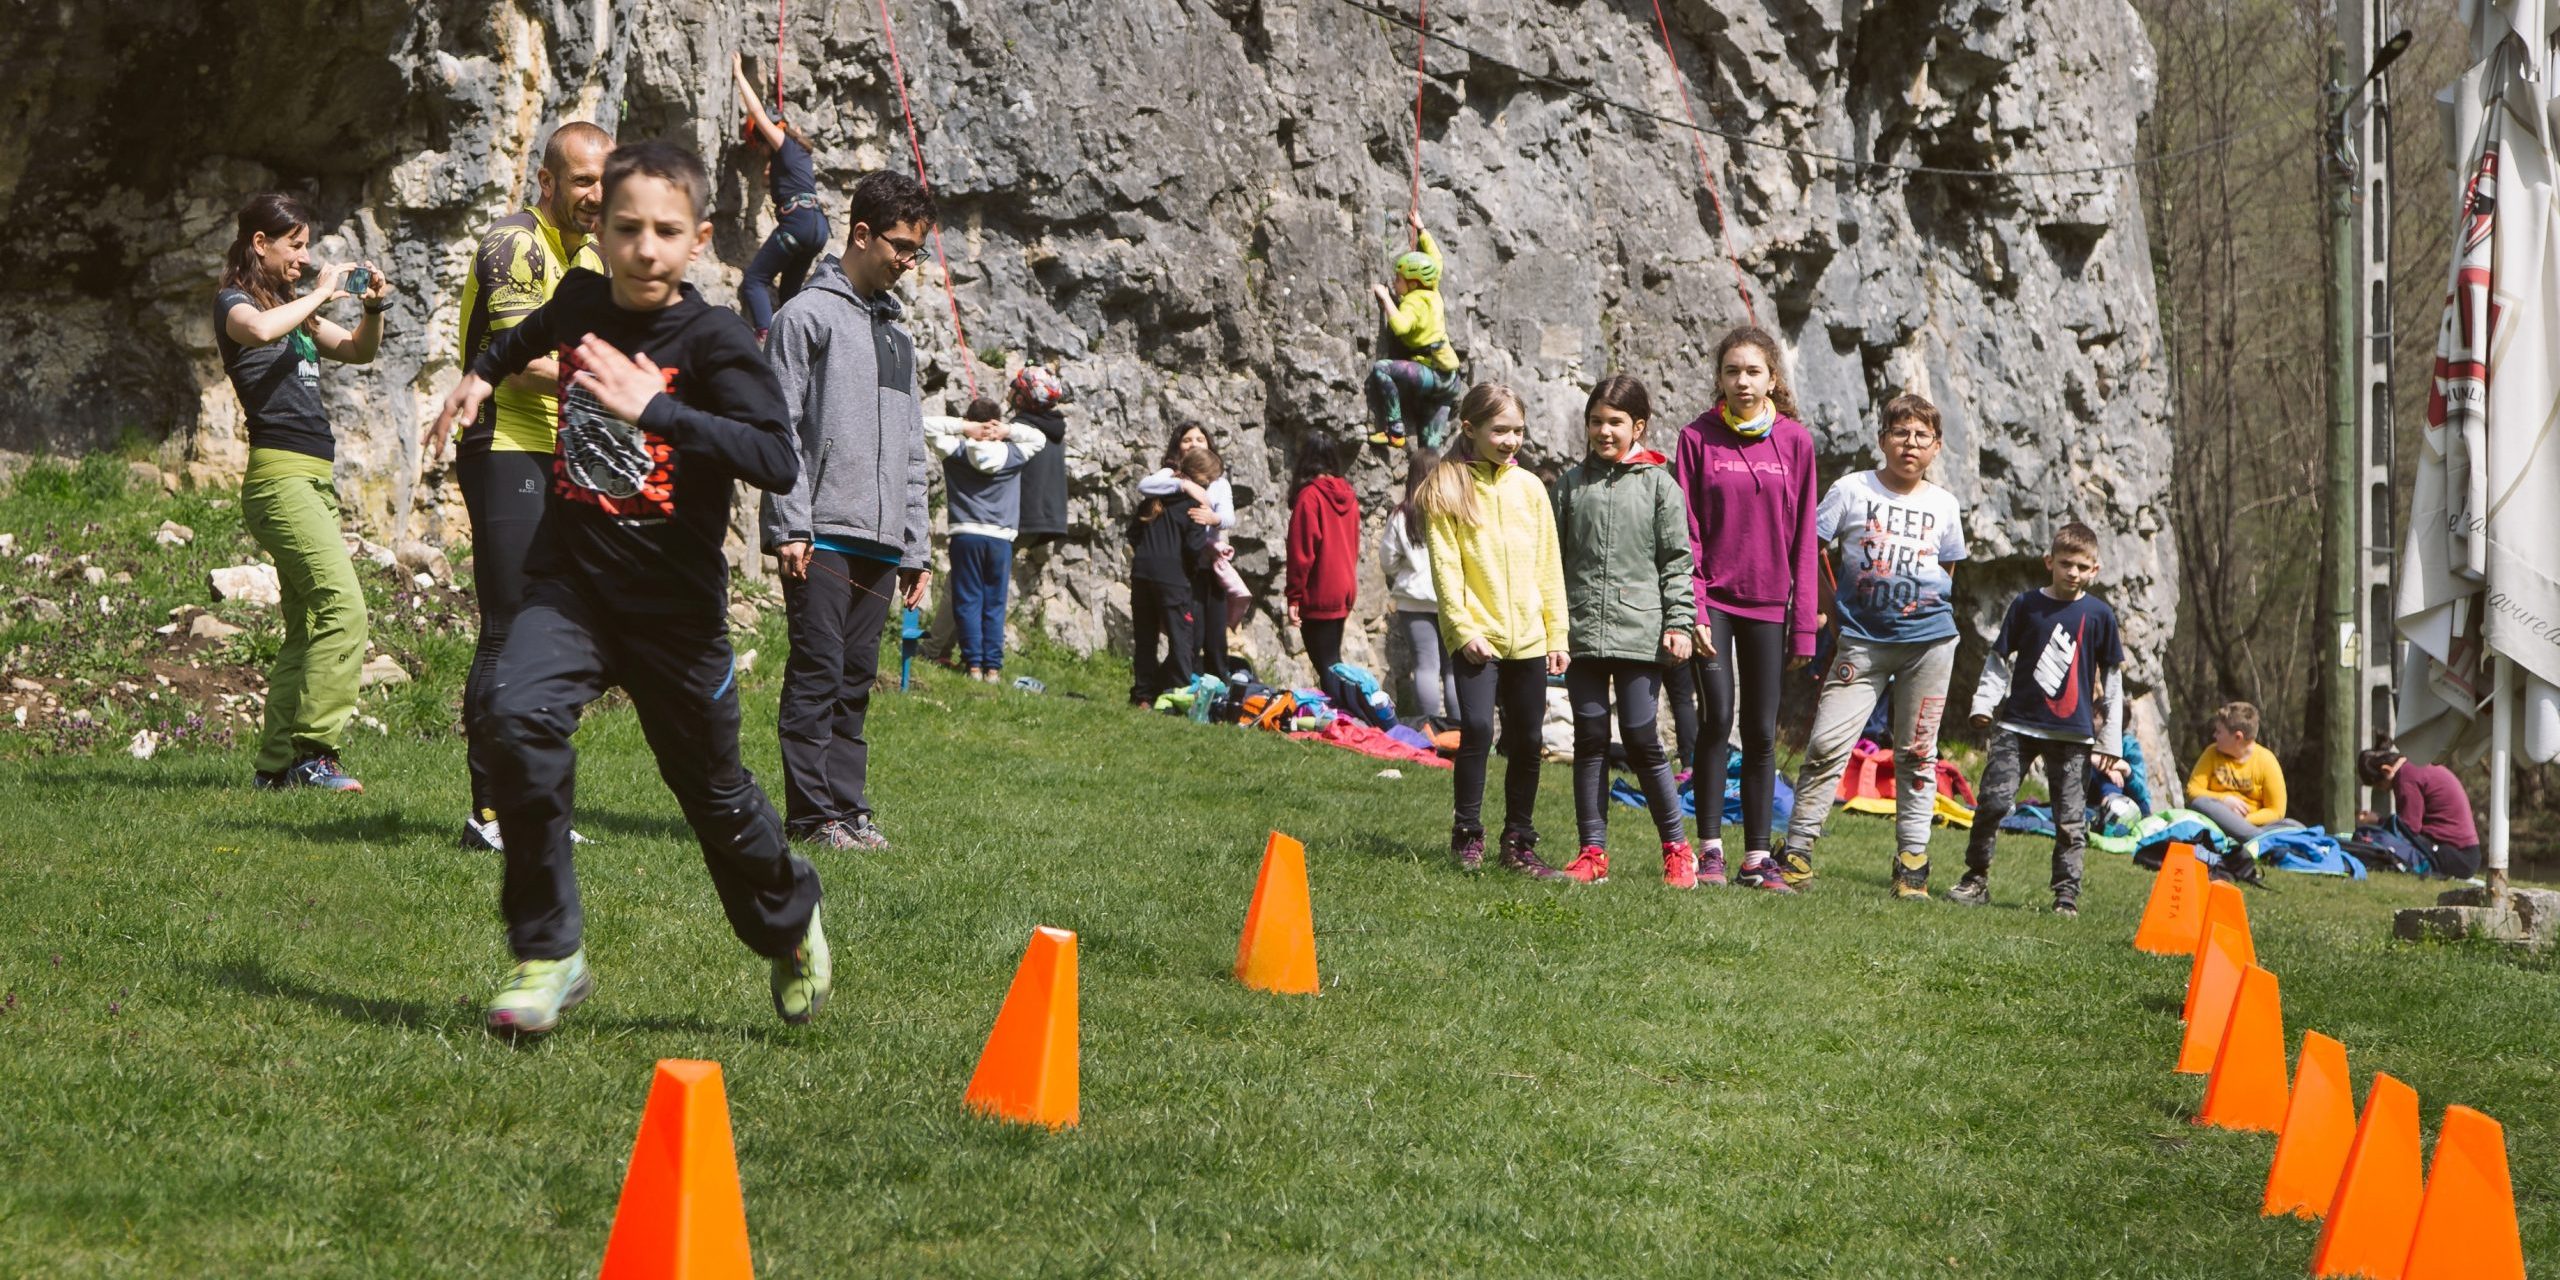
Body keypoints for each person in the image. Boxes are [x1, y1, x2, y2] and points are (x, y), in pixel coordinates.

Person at [427, 140, 827, 1034]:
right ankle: (549, 953)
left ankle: (789, 921)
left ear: (699, 240)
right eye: (627, 229)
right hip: (570, 588)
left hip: (675, 615)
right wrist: (477, 378)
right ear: (597, 231)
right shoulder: (576, 300)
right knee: (513, 718)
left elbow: (774, 457)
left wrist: (658, 412)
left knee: (715, 797)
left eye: (667, 232)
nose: (647, 249)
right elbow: (521, 336)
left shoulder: (717, 339)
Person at [425, 120, 613, 850]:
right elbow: (522, 357)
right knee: (510, 627)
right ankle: (490, 816)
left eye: (606, 180)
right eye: (583, 181)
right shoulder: (513, 243)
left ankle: (539, 810)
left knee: (562, 636)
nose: (597, 194)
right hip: (503, 444)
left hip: (563, 452)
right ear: (547, 182)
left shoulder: (593, 253)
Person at [761, 169, 940, 852]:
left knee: (856, 679)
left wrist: (915, 544)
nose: (906, 261)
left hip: (882, 541)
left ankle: (847, 809)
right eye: (900, 246)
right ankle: (811, 815)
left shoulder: (899, 335)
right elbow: (777, 432)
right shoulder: (805, 317)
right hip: (821, 534)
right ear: (860, 233)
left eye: (916, 251)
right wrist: (790, 525)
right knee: (817, 671)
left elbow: (912, 451)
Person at [215, 193, 393, 794]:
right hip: (279, 480)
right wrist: (323, 291)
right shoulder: (234, 304)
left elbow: (360, 351)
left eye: (307, 245)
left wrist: (370, 309)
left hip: (314, 480)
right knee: (345, 609)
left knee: (309, 624)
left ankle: (273, 769)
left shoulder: (297, 307)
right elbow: (261, 331)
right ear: (259, 244)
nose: (305, 256)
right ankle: (315, 755)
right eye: (295, 245)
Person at [1777, 393, 1970, 892]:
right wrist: (1829, 610)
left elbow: (1946, 569)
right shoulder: (1851, 490)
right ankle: (1796, 850)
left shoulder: (1944, 505)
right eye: (1900, 432)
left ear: (1936, 447)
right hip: (1860, 643)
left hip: (1929, 646)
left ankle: (1912, 863)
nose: (1910, 444)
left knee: (1917, 752)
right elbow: (1811, 546)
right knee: (1826, 744)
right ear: (1883, 439)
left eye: (1921, 436)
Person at [1673, 326, 1820, 893]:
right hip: (1713, 602)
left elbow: (1805, 539)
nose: (1742, 381)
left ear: (1772, 379)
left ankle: (1757, 858)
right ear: (1720, 379)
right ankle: (1709, 848)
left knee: (1760, 731)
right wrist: (1694, 610)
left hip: (1768, 605)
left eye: (1753, 371)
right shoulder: (1695, 439)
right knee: (1716, 719)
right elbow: (1684, 534)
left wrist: (1803, 628)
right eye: (1732, 371)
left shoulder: (1796, 443)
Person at [1551, 375, 1697, 887]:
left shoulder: (1661, 485)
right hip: (1582, 632)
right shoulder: (1570, 486)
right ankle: (1592, 853)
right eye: (1596, 421)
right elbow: (1553, 563)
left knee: (1640, 737)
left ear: (1639, 426)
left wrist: (1680, 623)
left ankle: (1678, 850)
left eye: (1615, 422)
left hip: (1641, 634)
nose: (1604, 431)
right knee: (1589, 738)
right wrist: (1553, 628)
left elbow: (1677, 563)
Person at [1421, 383, 1569, 877]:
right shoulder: (1447, 485)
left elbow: (1549, 565)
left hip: (1527, 637)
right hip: (1476, 637)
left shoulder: (1531, 488)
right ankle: (1467, 834)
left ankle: (1519, 841)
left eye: (1518, 431)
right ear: (1470, 429)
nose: (1510, 440)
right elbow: (1446, 569)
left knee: (1527, 739)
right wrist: (1463, 630)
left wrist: (1557, 635)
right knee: (1479, 730)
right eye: (1499, 430)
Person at [1949, 522, 2126, 916]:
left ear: (2095, 570)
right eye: (2065, 563)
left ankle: (2066, 897)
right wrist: (1983, 703)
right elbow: (1999, 659)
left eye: (2082, 566)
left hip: (2074, 735)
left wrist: (2109, 742)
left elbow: (2112, 682)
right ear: (2049, 562)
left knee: (2070, 820)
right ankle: (1975, 879)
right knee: (1993, 802)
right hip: (2017, 726)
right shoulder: (2027, 605)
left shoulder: (2100, 616)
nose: (2073, 573)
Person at [928, 398, 1050, 682]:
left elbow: (926, 426)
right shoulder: (1013, 454)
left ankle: (972, 666)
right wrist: (1006, 431)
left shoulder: (956, 450)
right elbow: (1039, 439)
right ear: (996, 421)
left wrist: (964, 427)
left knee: (968, 600)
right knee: (994, 602)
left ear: (972, 420)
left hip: (966, 534)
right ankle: (992, 668)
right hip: (1000, 538)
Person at [730, 52, 827, 338]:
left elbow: (758, 115)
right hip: (817, 228)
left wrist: (738, 74)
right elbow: (767, 178)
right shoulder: (799, 153)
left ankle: (766, 338)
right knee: (789, 296)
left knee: (755, 281)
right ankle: (794, 341)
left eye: (757, 145)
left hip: (797, 223)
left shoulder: (784, 145)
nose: (757, 153)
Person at [1138, 421, 1239, 679]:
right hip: (1182, 565)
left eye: (1199, 439)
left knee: (1215, 635)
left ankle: (1217, 683)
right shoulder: (1169, 476)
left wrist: (1212, 518)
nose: (1193, 444)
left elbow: (1228, 517)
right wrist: (1185, 485)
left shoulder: (1219, 483)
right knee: (1188, 634)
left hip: (1207, 565)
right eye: (1187, 440)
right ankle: (1182, 683)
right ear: (1178, 446)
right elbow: (1145, 486)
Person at [1128, 448, 1219, 706]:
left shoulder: (1155, 497)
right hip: (1173, 578)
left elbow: (1133, 532)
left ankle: (1143, 696)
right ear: (1203, 478)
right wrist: (1189, 573)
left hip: (1142, 572)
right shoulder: (1196, 506)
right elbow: (1193, 547)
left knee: (1145, 636)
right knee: (1181, 636)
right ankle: (1178, 693)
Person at [1365, 210, 1462, 449]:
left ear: (1413, 282)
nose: (1396, 283)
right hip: (1450, 381)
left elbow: (1400, 325)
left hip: (1432, 375)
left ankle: (1395, 430)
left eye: (1399, 279)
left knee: (1382, 369)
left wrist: (1386, 298)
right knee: (1430, 450)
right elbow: (1436, 258)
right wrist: (1421, 229)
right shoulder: (1433, 288)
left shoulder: (1415, 302)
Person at [1379, 448, 1456, 723]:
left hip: (1413, 598)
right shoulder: (1452, 510)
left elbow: (1387, 561)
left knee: (1425, 665)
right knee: (1452, 669)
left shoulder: (1402, 514)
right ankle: (1460, 729)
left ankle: (1429, 727)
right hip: (1449, 597)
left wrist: (1407, 569)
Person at [1286, 434, 1361, 707]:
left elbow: (1301, 552)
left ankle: (1349, 714)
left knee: (1327, 663)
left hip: (1319, 589)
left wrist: (1294, 595)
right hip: (1343, 587)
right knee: (1332, 659)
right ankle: (1347, 711)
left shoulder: (1310, 497)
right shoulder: (1349, 495)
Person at [2357, 742, 2484, 879]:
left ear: (2386, 770)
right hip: (2465, 855)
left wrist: (2377, 820)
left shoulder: (2405, 775)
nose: (2383, 790)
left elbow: (2408, 828)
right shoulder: (2415, 765)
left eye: (2379, 785)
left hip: (2457, 856)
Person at [2185, 701, 2301, 842]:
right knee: (2200, 803)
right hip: (2218, 822)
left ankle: (2252, 838)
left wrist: (2242, 821)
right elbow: (2193, 791)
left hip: (2254, 825)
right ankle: (2261, 841)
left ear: (2238, 737)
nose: (2215, 736)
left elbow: (2276, 811)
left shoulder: (2266, 761)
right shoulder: (2211, 753)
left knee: (2294, 826)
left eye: (2219, 732)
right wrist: (2224, 800)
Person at [1011, 365, 1073, 550]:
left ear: (1021, 398)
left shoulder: (1019, 429)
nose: (1010, 389)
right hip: (1048, 520)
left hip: (1022, 519)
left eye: (1015, 386)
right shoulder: (1055, 430)